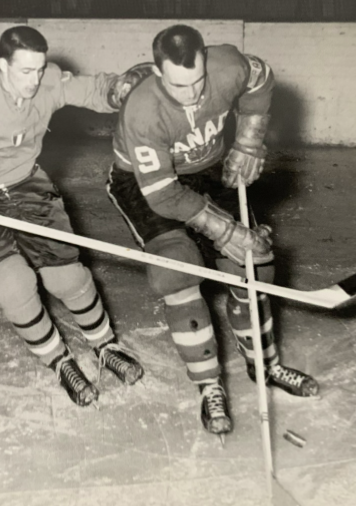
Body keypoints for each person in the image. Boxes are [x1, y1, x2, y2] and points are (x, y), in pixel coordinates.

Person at [0, 26, 150, 406]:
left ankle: (106, 346)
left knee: (68, 277)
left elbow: (91, 89)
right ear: (3, 66)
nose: (34, 81)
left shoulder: (47, 81)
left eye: (39, 69)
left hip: (27, 186)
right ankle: (59, 360)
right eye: (24, 71)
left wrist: (118, 89)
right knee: (15, 283)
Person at [106, 24, 318, 438]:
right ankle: (209, 386)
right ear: (157, 71)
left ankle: (265, 364)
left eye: (198, 80)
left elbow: (261, 78)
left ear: (206, 60)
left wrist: (250, 140)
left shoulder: (228, 65)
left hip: (208, 168)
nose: (191, 94)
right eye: (178, 85)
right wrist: (224, 231)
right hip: (148, 185)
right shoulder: (142, 110)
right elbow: (164, 195)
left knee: (255, 265)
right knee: (176, 270)